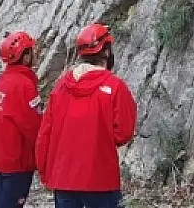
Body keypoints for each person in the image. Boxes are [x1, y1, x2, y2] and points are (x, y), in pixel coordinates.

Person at [36, 23, 137, 208]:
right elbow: (123, 133)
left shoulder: (61, 87)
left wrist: (45, 172)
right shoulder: (115, 87)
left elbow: (45, 133)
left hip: (64, 179)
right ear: (106, 52)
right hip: (100, 179)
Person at [0, 31, 43, 208]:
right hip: (17, 161)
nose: (36, 54)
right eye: (32, 51)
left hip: (2, 157)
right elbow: (33, 127)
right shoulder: (24, 85)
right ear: (26, 56)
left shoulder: (3, 79)